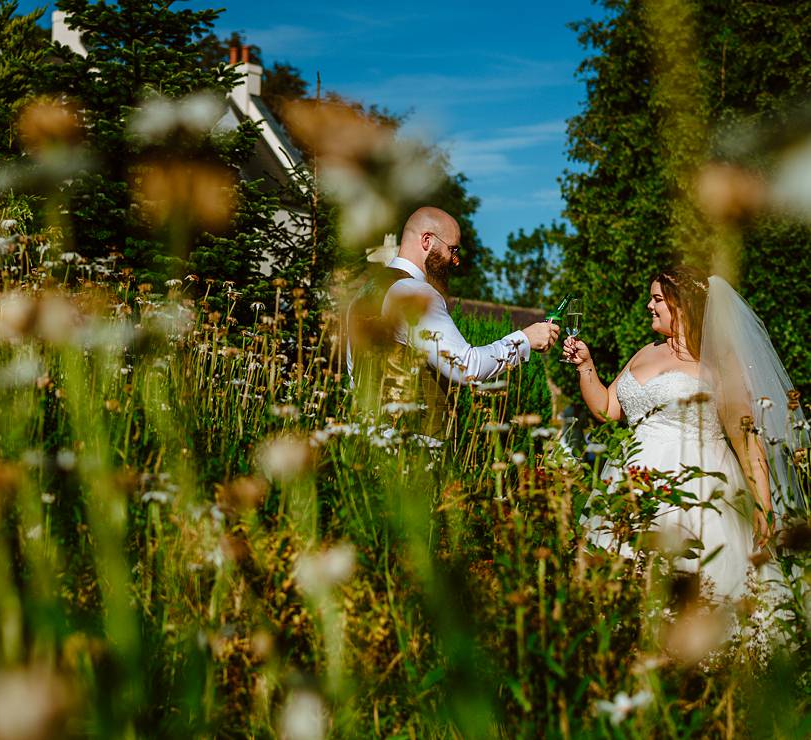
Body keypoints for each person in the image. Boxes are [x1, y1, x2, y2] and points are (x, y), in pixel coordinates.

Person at [565, 266, 807, 600]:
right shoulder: (646, 352)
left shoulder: (718, 361)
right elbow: (607, 409)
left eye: (658, 299)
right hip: (631, 483)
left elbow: (746, 436)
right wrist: (585, 365)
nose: (650, 306)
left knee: (693, 589)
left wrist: (764, 504)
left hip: (699, 489)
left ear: (682, 305)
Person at [346, 207, 559, 438]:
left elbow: (353, 373)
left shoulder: (364, 294)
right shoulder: (414, 293)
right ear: (427, 240)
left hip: (366, 443)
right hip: (413, 449)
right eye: (453, 249)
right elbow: (467, 367)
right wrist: (525, 340)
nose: (455, 261)